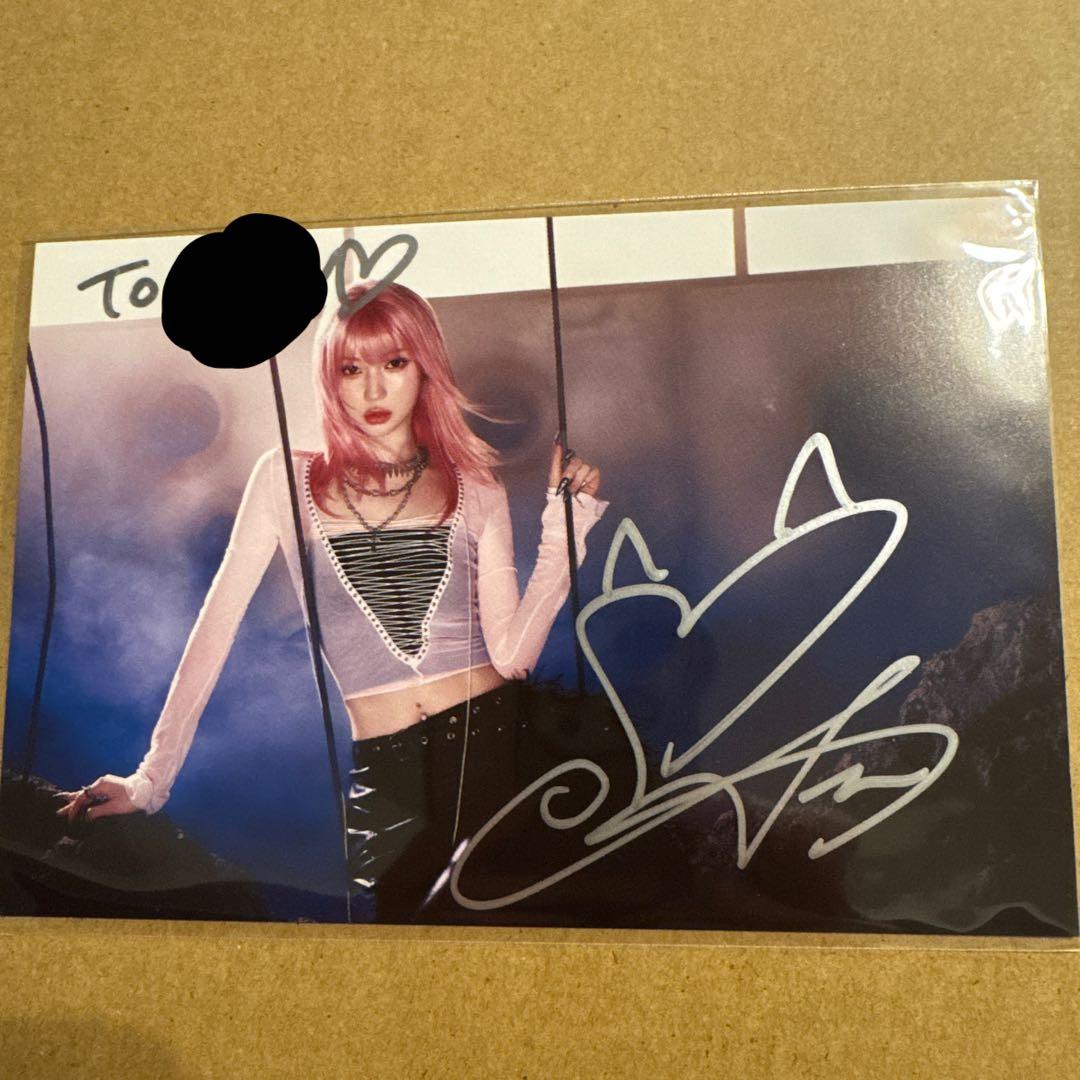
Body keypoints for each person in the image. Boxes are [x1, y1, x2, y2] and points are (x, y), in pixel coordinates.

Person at [56, 280, 608, 922]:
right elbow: (216, 629)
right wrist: (150, 781)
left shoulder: (474, 484)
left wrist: (563, 531)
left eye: (394, 363)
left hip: (495, 754)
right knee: (405, 954)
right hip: (388, 774)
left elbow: (512, 658)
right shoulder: (284, 479)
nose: (373, 390)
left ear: (424, 368)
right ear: (330, 376)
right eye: (352, 368)